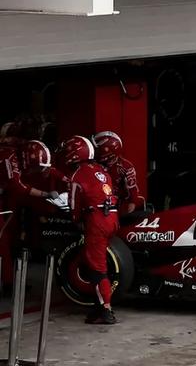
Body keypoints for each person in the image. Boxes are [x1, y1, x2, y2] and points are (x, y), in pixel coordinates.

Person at [61, 135, 119, 324]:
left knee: (97, 268)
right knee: (98, 262)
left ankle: (105, 310)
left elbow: (73, 206)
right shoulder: (102, 171)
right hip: (112, 218)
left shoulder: (77, 175)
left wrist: (77, 220)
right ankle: (98, 306)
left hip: (97, 221)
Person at [93, 131, 144, 216]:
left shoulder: (125, 167)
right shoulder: (93, 165)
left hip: (116, 209)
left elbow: (133, 197)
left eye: (97, 149)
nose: (94, 152)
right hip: (96, 206)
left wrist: (126, 216)